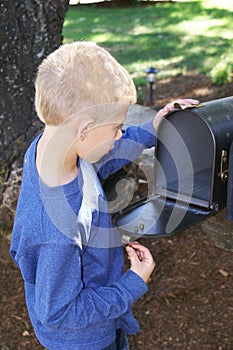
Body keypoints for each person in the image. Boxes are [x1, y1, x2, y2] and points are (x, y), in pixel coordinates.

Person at [10, 41, 199, 350]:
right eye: (116, 127)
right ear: (84, 129)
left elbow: (103, 153)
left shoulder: (55, 146)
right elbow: (59, 312)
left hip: (99, 308)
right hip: (84, 339)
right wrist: (132, 285)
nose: (120, 134)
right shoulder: (57, 230)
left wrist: (153, 128)